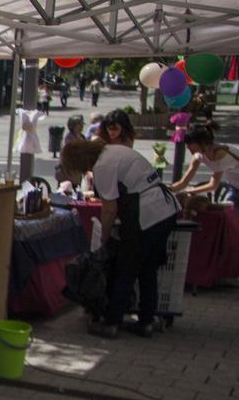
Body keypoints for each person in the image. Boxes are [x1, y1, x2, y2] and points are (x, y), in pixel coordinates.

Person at [61, 140, 179, 338]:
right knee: (148, 269)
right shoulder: (115, 150)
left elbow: (109, 209)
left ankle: (111, 323)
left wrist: (103, 240)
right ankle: (146, 320)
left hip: (145, 214)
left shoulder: (102, 166)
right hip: (165, 210)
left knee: (126, 268)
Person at [173, 122, 239, 243]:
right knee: (227, 220)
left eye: (190, 144)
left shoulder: (221, 155)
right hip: (234, 187)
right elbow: (183, 182)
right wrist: (168, 189)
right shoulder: (199, 155)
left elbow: (213, 185)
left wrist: (190, 190)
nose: (188, 147)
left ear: (201, 143)